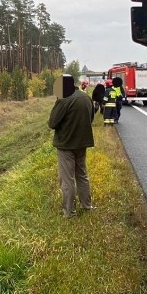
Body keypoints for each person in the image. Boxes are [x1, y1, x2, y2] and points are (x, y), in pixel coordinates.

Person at [48, 74, 95, 218]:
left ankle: (69, 212)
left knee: (67, 179)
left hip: (66, 144)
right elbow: (91, 117)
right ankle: (87, 206)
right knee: (82, 175)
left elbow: (52, 123)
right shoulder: (86, 97)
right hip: (82, 143)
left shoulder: (64, 99)